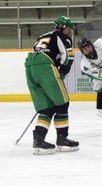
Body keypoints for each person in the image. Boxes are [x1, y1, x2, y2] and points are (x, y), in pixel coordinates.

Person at [25, 16, 79, 155]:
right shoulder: (62, 36)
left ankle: (39, 140)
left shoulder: (43, 36)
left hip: (30, 68)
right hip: (45, 68)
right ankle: (62, 139)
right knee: (62, 104)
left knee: (47, 108)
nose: (70, 31)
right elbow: (68, 56)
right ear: (61, 28)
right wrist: (62, 72)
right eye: (68, 28)